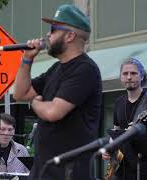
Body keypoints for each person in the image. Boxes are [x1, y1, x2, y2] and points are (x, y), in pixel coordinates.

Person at [13, 4, 102, 180]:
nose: (48, 34)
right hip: (43, 170)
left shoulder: (85, 69)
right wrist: (27, 58)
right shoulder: (56, 69)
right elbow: (20, 94)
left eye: (53, 29)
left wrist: (35, 101)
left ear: (69, 36)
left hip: (69, 172)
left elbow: (54, 112)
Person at [102, 58, 147, 180]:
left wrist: (142, 135)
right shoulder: (118, 103)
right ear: (121, 77)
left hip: (145, 169)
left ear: (141, 76)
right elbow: (116, 131)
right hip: (122, 168)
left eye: (134, 73)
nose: (129, 77)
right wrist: (109, 150)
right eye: (125, 74)